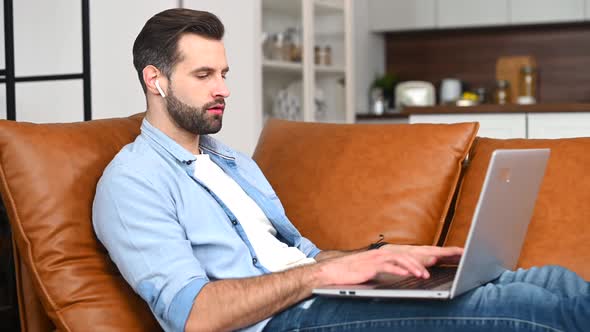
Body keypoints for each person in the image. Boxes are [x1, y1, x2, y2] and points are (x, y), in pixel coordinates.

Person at [92, 8, 589, 332]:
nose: (223, 88)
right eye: (203, 75)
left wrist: (379, 258)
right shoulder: (131, 182)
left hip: (313, 296)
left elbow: (300, 256)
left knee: (541, 283)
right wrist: (326, 273)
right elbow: (195, 316)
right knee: (526, 314)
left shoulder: (230, 161)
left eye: (224, 73)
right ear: (154, 80)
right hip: (284, 322)